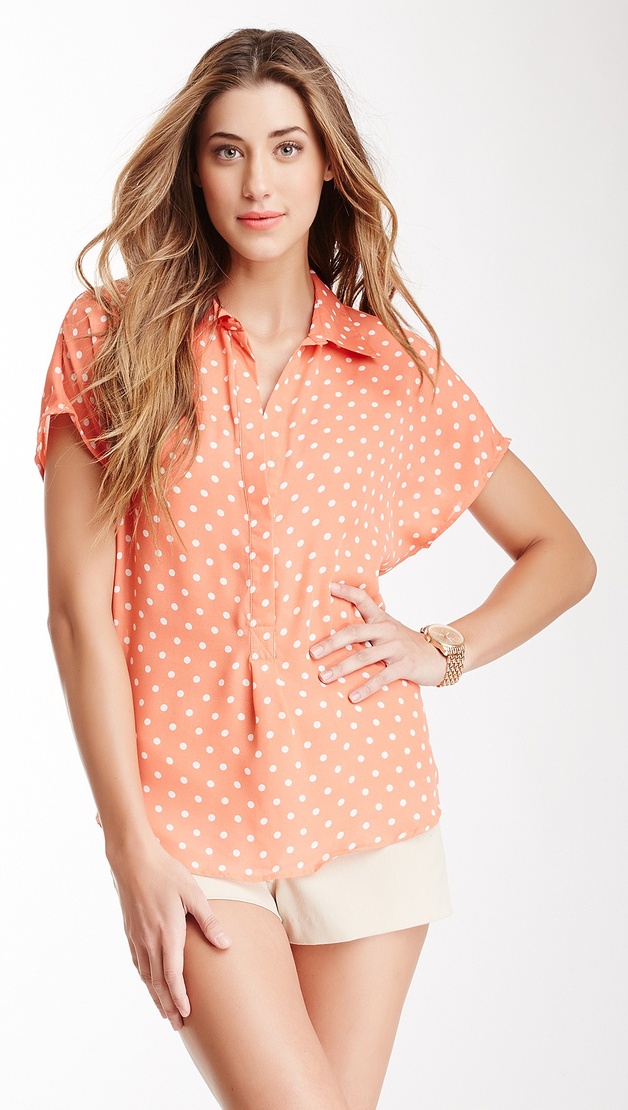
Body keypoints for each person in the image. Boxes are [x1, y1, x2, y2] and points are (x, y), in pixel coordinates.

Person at [34, 27, 596, 1110]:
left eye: (285, 147)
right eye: (228, 150)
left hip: (365, 809)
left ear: (327, 163)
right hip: (190, 821)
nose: (258, 182)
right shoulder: (113, 337)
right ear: (194, 168)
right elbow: (74, 611)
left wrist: (439, 649)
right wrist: (127, 846)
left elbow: (562, 555)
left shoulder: (390, 371)